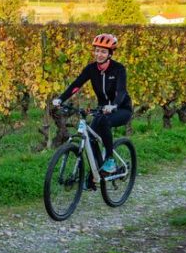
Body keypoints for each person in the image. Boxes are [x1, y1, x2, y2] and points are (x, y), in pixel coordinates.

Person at [52, 33, 133, 178]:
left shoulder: (118, 69)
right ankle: (98, 172)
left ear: (110, 54)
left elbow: (121, 92)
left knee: (104, 121)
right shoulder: (91, 69)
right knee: (90, 137)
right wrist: (61, 98)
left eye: (103, 51)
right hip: (102, 109)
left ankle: (110, 160)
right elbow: (76, 85)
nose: (99, 54)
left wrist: (113, 105)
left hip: (121, 109)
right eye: (97, 50)